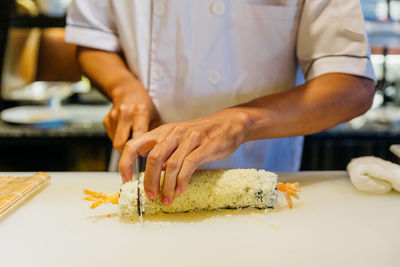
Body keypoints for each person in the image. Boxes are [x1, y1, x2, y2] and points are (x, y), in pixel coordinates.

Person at [66, 0, 375, 206]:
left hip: (261, 176)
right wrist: (124, 89)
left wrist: (240, 122)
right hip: (140, 172)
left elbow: (352, 85)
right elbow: (93, 38)